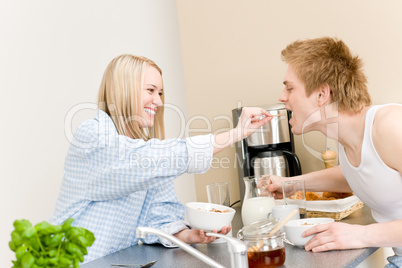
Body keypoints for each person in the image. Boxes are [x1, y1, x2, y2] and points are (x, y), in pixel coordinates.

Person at [50, 54, 273, 262]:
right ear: (123, 90)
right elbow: (144, 161)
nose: (158, 101)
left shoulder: (145, 150)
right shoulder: (92, 136)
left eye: (161, 93)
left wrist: (188, 235)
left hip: (114, 263)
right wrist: (234, 134)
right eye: (150, 90)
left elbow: (159, 213)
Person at [266, 37, 402, 267]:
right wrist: (289, 183)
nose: (282, 96)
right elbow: (361, 174)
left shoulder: (391, 126)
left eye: (290, 88)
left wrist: (360, 234)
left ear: (322, 94)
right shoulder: (348, 137)